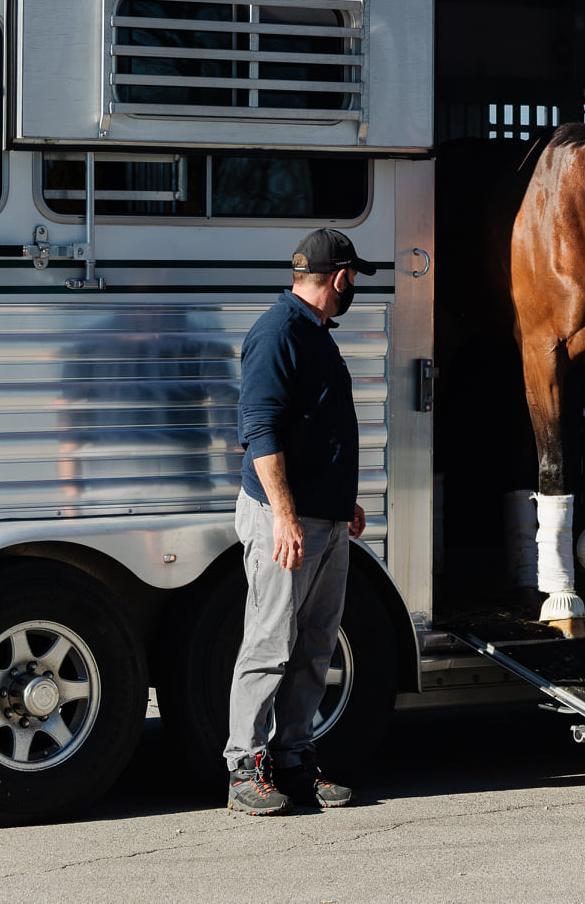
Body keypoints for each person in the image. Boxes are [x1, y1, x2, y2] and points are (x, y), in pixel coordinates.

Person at [224, 228, 377, 815]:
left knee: (315, 643)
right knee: (268, 644)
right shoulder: (277, 333)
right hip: (283, 521)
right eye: (353, 277)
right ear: (339, 277)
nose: (354, 286)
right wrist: (285, 517)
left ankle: (294, 758)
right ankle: (244, 767)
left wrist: (343, 502)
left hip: (326, 519)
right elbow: (259, 430)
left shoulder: (313, 333)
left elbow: (316, 427)